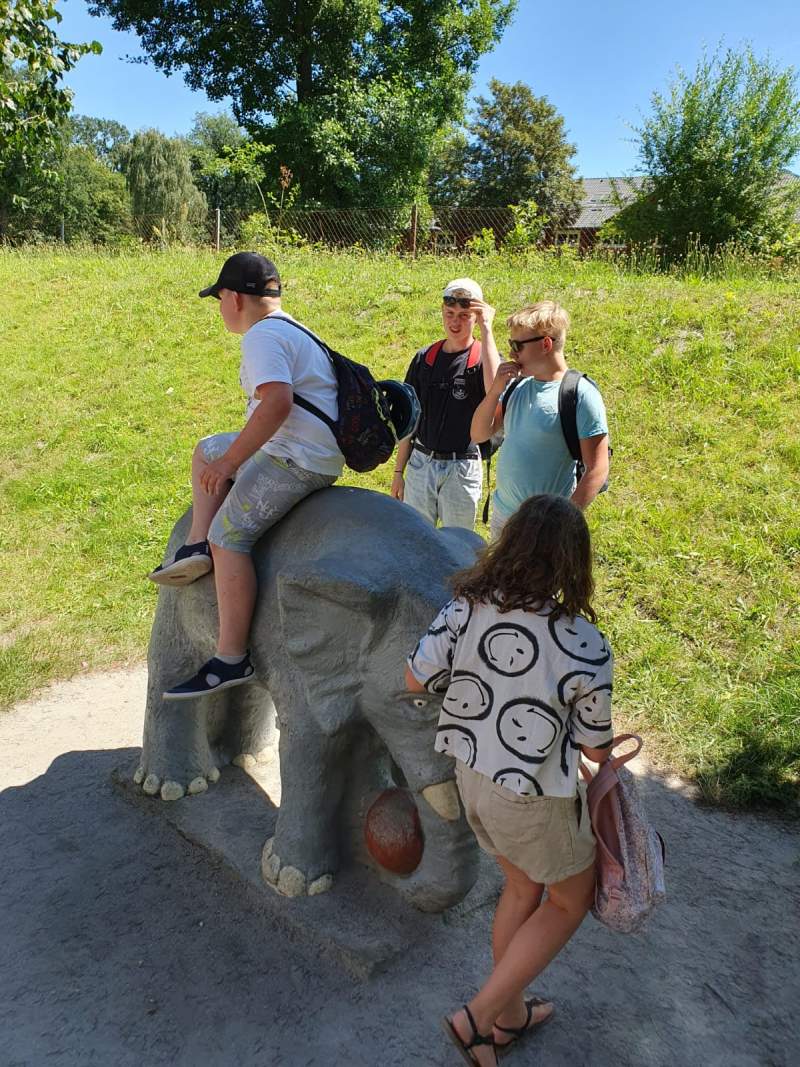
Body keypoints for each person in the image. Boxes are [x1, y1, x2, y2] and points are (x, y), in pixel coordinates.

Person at [404, 494, 613, 1066]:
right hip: (534, 798)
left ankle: (510, 1018)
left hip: (471, 777)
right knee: (569, 902)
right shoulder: (586, 644)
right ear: (574, 562)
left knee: (522, 891)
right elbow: (595, 746)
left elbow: (415, 676)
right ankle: (478, 1017)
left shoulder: (466, 607)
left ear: (510, 543)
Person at [148, 251, 344, 699]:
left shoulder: (261, 337)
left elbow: (277, 402)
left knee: (230, 536)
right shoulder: (294, 328)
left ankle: (230, 658)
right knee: (206, 449)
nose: (219, 308)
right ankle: (194, 545)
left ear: (234, 297)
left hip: (298, 458)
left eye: (218, 298)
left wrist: (231, 463)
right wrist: (222, 455)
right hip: (303, 448)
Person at [470, 301, 610, 540]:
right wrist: (494, 391)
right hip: (503, 518)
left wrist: (560, 522)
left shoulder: (580, 394)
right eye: (510, 345)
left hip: (545, 528)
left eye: (517, 345)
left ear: (546, 344)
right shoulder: (518, 386)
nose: (512, 353)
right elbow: (479, 434)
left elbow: (597, 469)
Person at [390, 278, 500, 530]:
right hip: (421, 463)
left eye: (464, 315)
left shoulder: (484, 358)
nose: (455, 322)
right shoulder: (425, 358)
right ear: (442, 312)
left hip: (461, 466)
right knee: (418, 540)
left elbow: (495, 390)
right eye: (450, 313)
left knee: (457, 544)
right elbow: (409, 420)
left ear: (476, 317)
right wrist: (398, 473)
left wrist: (487, 329)